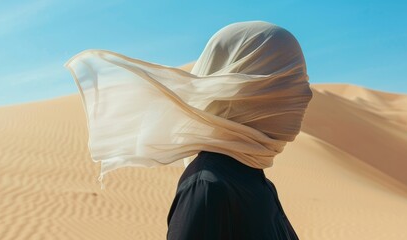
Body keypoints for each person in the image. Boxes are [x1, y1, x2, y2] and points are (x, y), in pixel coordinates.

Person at [65, 21, 312, 239]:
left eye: (302, 80)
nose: (305, 94)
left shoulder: (256, 181)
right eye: (289, 79)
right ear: (240, 88)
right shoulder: (209, 187)